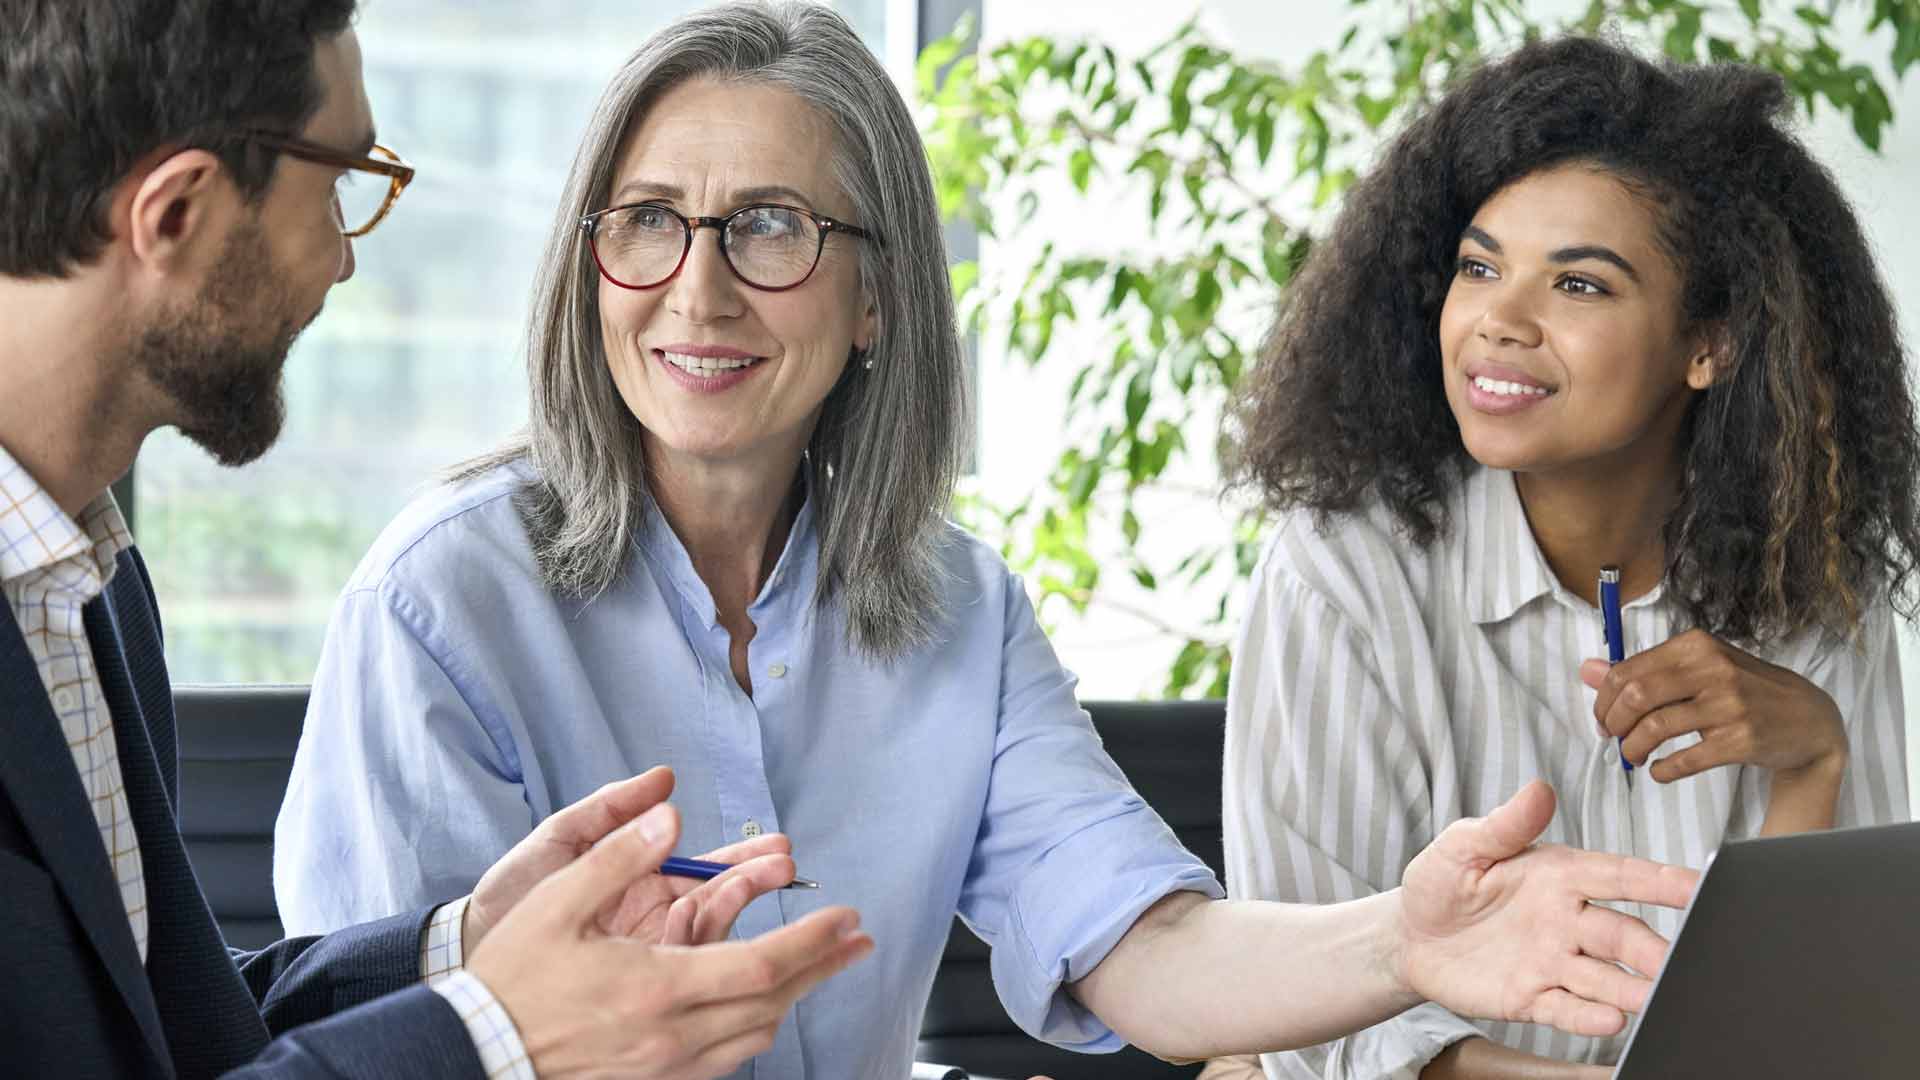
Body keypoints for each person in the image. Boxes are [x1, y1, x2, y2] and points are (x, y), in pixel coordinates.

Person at [272, 5, 1700, 1078]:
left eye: (769, 228)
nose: (696, 289)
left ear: (879, 298)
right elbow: (402, 1043)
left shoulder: (957, 604)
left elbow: (1143, 950)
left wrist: (1407, 942)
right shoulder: (442, 601)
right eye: (649, 222)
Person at [0, 3, 877, 1077]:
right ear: (178, 212)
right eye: (335, 189)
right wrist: (499, 1038)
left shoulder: (84, 585)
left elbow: (169, 1039)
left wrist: (467, 943)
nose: (342, 263)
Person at [1205, 33, 1915, 1080]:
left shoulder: (1807, 571)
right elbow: (1302, 1024)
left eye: (1580, 286)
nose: (1499, 319)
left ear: (1709, 342)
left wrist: (1809, 762)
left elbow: (1831, 1018)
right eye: (1479, 266)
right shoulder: (1343, 576)